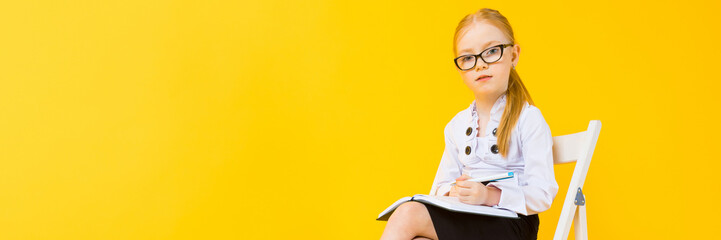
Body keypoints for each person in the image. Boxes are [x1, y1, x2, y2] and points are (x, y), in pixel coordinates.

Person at [379, 8, 559, 240]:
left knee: (408, 214)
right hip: (469, 218)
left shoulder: (528, 118)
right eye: (467, 58)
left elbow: (543, 193)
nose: (480, 65)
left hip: (512, 224)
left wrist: (489, 196)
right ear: (459, 69)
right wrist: (454, 191)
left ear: (513, 55)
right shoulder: (457, 125)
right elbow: (439, 186)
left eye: (492, 51)